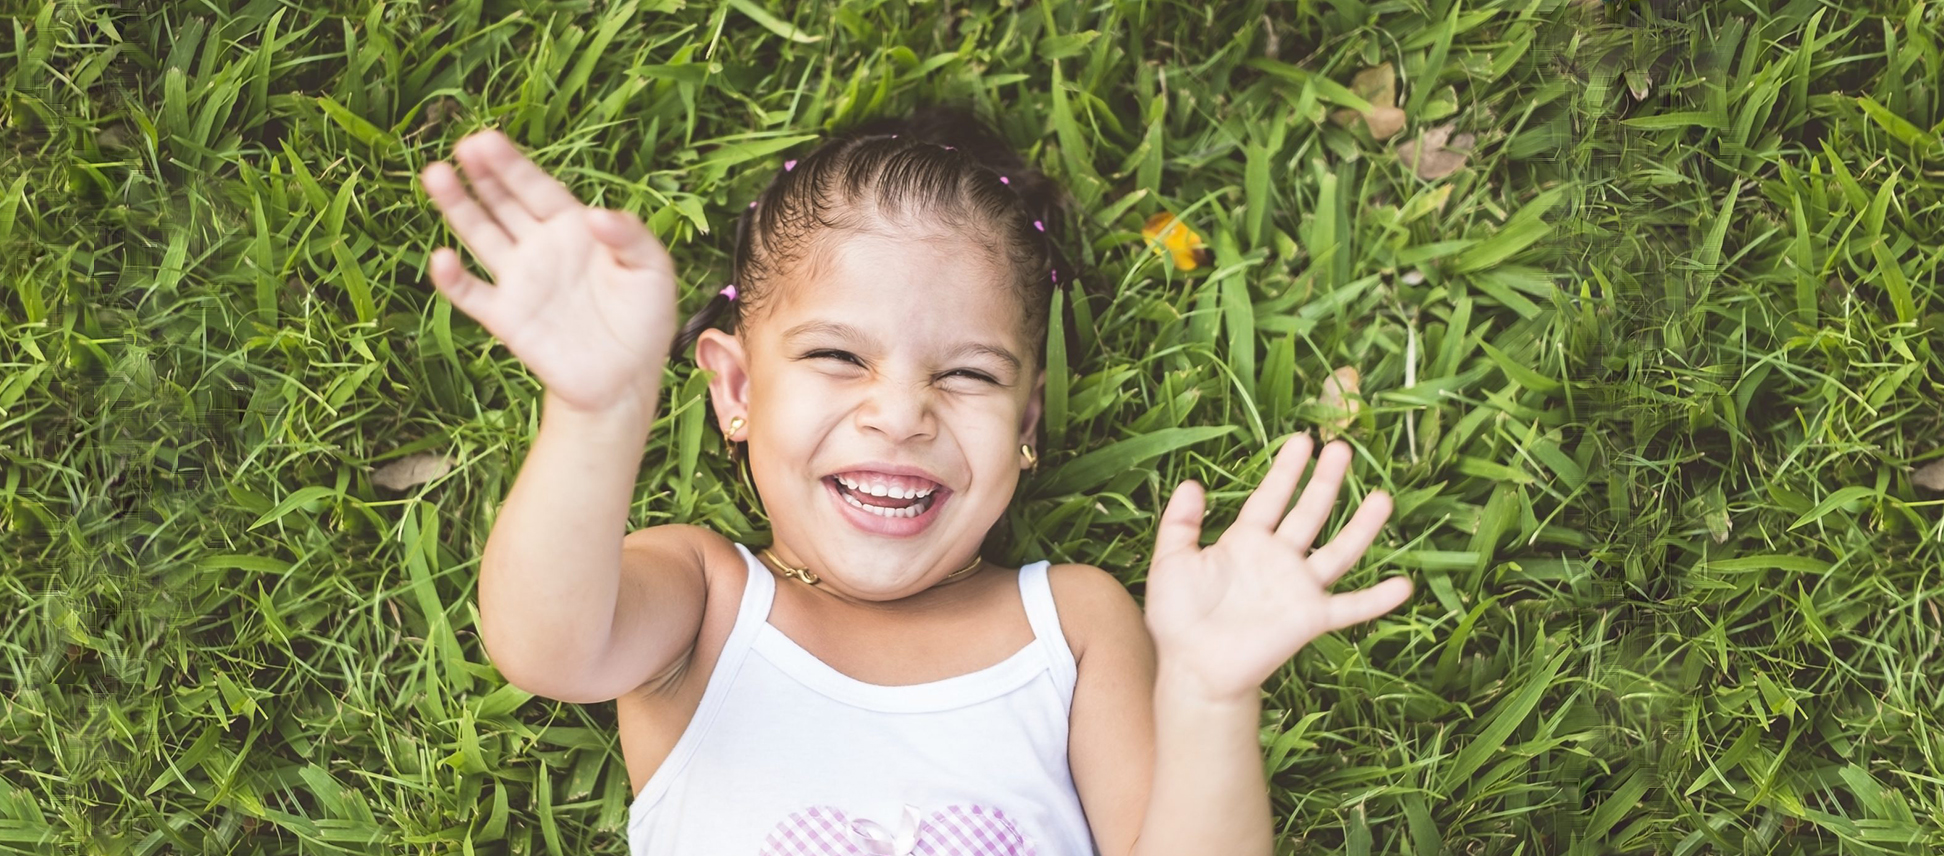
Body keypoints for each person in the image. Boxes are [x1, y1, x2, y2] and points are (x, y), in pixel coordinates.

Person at [419, 101, 1414, 856]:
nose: (900, 415)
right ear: (736, 389)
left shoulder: (1071, 625)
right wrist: (597, 413)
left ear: (1024, 425)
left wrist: (1206, 697)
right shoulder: (706, 600)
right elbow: (545, 645)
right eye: (836, 357)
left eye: (967, 375)